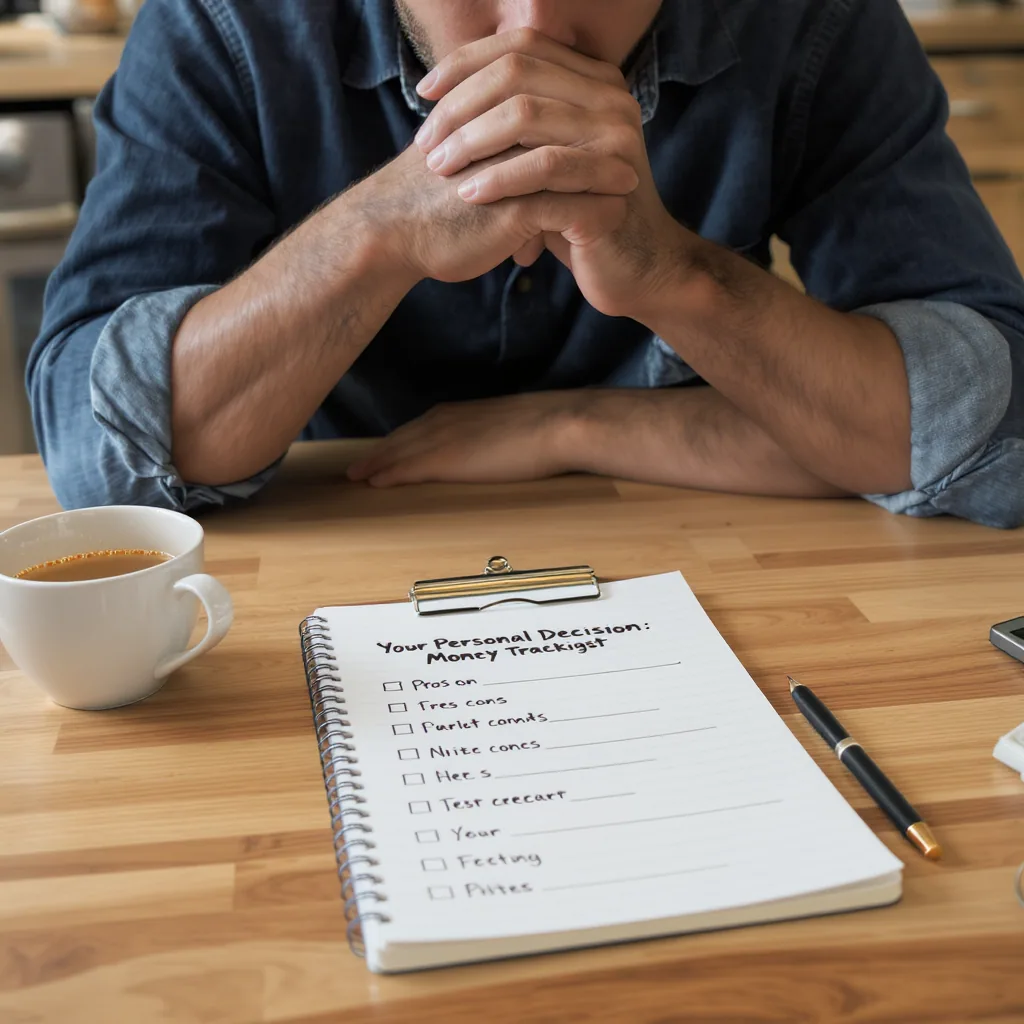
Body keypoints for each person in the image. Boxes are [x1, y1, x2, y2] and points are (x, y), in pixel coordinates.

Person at [29, 0, 1024, 527]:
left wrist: (606, 380)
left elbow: (997, 432)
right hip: (322, 570)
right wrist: (374, 231)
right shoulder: (226, 22)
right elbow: (97, 450)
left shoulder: (810, 21)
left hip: (706, 566)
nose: (533, 32)